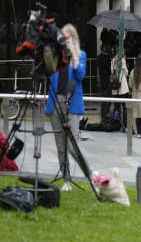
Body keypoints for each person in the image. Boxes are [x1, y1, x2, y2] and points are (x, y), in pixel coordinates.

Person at [46, 23, 88, 192]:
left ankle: (90, 175)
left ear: (73, 38)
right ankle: (67, 180)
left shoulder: (81, 55)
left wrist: (74, 56)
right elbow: (48, 72)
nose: (63, 41)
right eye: (61, 37)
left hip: (72, 104)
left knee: (72, 147)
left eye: (66, 38)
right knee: (61, 147)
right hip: (55, 102)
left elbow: (80, 75)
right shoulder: (57, 56)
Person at [111, 48, 130, 130]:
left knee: (116, 106)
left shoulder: (112, 61)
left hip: (115, 87)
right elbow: (126, 73)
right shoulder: (122, 61)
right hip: (123, 87)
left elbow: (112, 71)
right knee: (125, 107)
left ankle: (116, 124)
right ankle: (126, 125)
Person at [97, 42, 112, 118]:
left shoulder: (99, 57)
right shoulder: (106, 58)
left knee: (103, 97)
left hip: (102, 79)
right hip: (107, 80)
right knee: (108, 97)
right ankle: (106, 112)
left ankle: (103, 112)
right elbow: (110, 69)